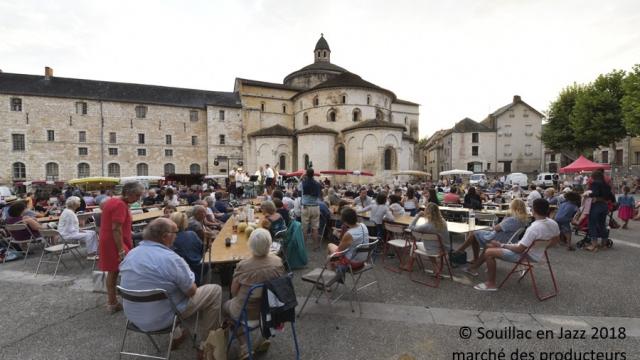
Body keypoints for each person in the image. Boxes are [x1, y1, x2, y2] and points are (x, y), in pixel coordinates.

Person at [120, 218, 222, 356]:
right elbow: (191, 291)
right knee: (214, 290)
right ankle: (208, 346)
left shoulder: (131, 254)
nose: (177, 235)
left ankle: (177, 336)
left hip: (135, 318)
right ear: (165, 236)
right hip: (163, 317)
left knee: (170, 290)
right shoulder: (170, 259)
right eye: (176, 232)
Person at [470, 199, 559, 291]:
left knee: (489, 252)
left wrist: (501, 245)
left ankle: (490, 284)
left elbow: (519, 249)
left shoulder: (534, 228)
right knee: (491, 247)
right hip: (539, 255)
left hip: (526, 255)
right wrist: (542, 248)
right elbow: (556, 240)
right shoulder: (553, 223)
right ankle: (474, 267)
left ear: (533, 210)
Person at [223, 228, 283, 356]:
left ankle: (244, 345)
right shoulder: (277, 262)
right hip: (270, 310)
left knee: (226, 307)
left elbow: (233, 292)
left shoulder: (243, 266)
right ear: (269, 244)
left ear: (250, 245)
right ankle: (262, 338)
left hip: (247, 313)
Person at [98, 181, 144, 313]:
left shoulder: (112, 201)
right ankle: (113, 302)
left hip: (110, 239)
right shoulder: (120, 205)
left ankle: (112, 301)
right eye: (137, 195)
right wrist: (121, 249)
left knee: (113, 272)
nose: (138, 198)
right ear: (128, 193)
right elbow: (116, 229)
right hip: (115, 241)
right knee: (117, 271)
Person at [456, 199, 528, 269]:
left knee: (474, 234)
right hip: (508, 239)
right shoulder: (522, 220)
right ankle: (465, 254)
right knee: (475, 234)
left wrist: (505, 218)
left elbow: (496, 228)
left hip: (499, 239)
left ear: (513, 207)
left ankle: (459, 252)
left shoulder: (512, 219)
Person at [408, 203, 449, 270]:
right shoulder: (443, 221)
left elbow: (410, 227)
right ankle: (435, 267)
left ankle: (409, 266)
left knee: (414, 245)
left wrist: (418, 216)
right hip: (444, 248)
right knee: (430, 244)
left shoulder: (427, 226)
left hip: (433, 250)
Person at [327, 207, 370, 273]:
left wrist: (337, 235)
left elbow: (339, 251)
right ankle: (333, 268)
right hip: (363, 259)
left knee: (330, 246)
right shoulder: (363, 225)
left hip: (352, 263)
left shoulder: (349, 234)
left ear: (345, 221)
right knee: (331, 256)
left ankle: (333, 273)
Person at [170, 212, 207, 286]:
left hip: (184, 272)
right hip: (200, 266)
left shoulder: (170, 239)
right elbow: (202, 249)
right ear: (185, 223)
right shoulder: (191, 234)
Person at [584, 169, 614, 252]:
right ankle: (604, 244)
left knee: (592, 224)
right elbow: (611, 197)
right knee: (602, 224)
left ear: (594, 177)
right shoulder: (607, 185)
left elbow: (594, 193)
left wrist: (587, 194)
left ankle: (594, 245)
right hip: (604, 206)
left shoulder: (595, 183)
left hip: (596, 205)